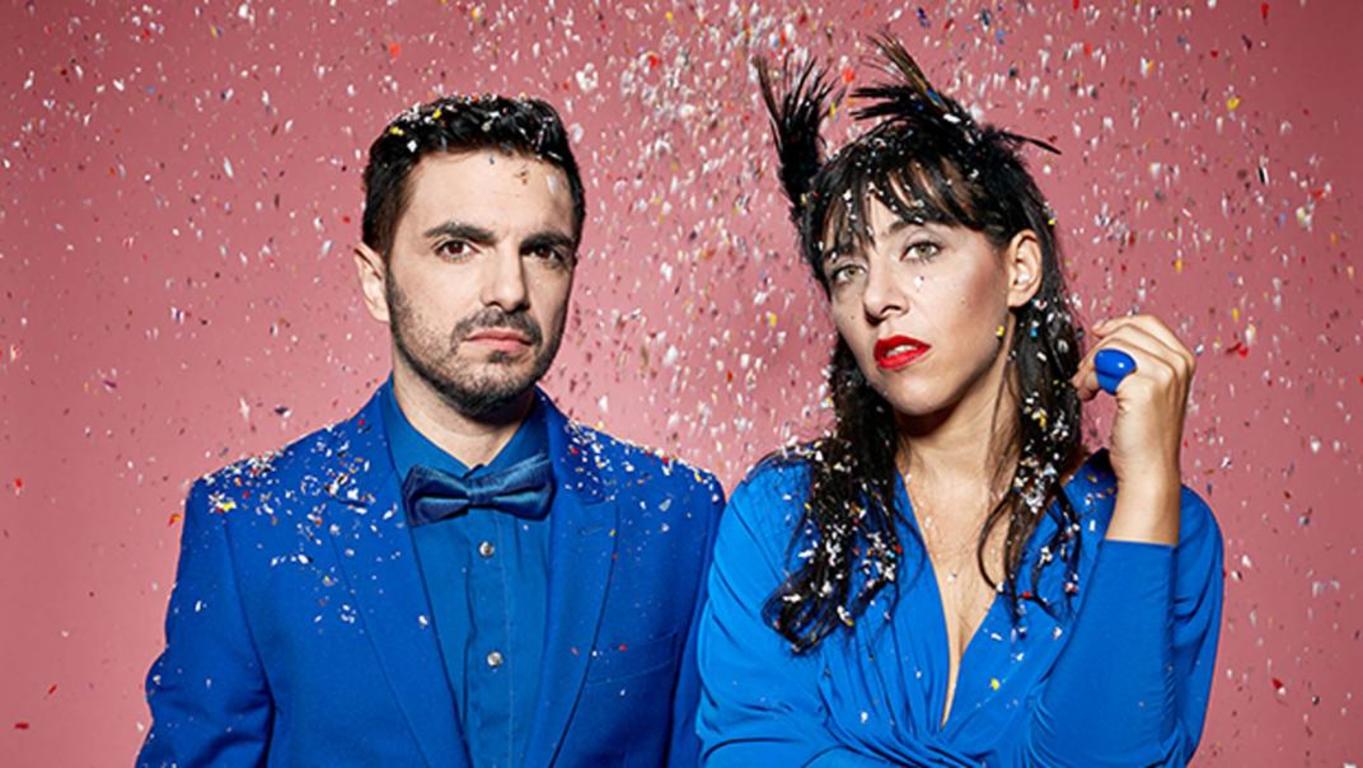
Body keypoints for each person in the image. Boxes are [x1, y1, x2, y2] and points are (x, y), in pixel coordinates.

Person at [138, 94, 723, 767]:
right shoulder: (249, 524)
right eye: (457, 247)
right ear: (375, 280)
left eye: (542, 251)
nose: (508, 290)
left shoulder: (677, 515)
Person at [697, 38, 1224, 767]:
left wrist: (1148, 491)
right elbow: (753, 754)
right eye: (847, 269)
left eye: (920, 248)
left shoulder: (1165, 528)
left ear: (1019, 269)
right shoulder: (779, 516)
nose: (877, 298)